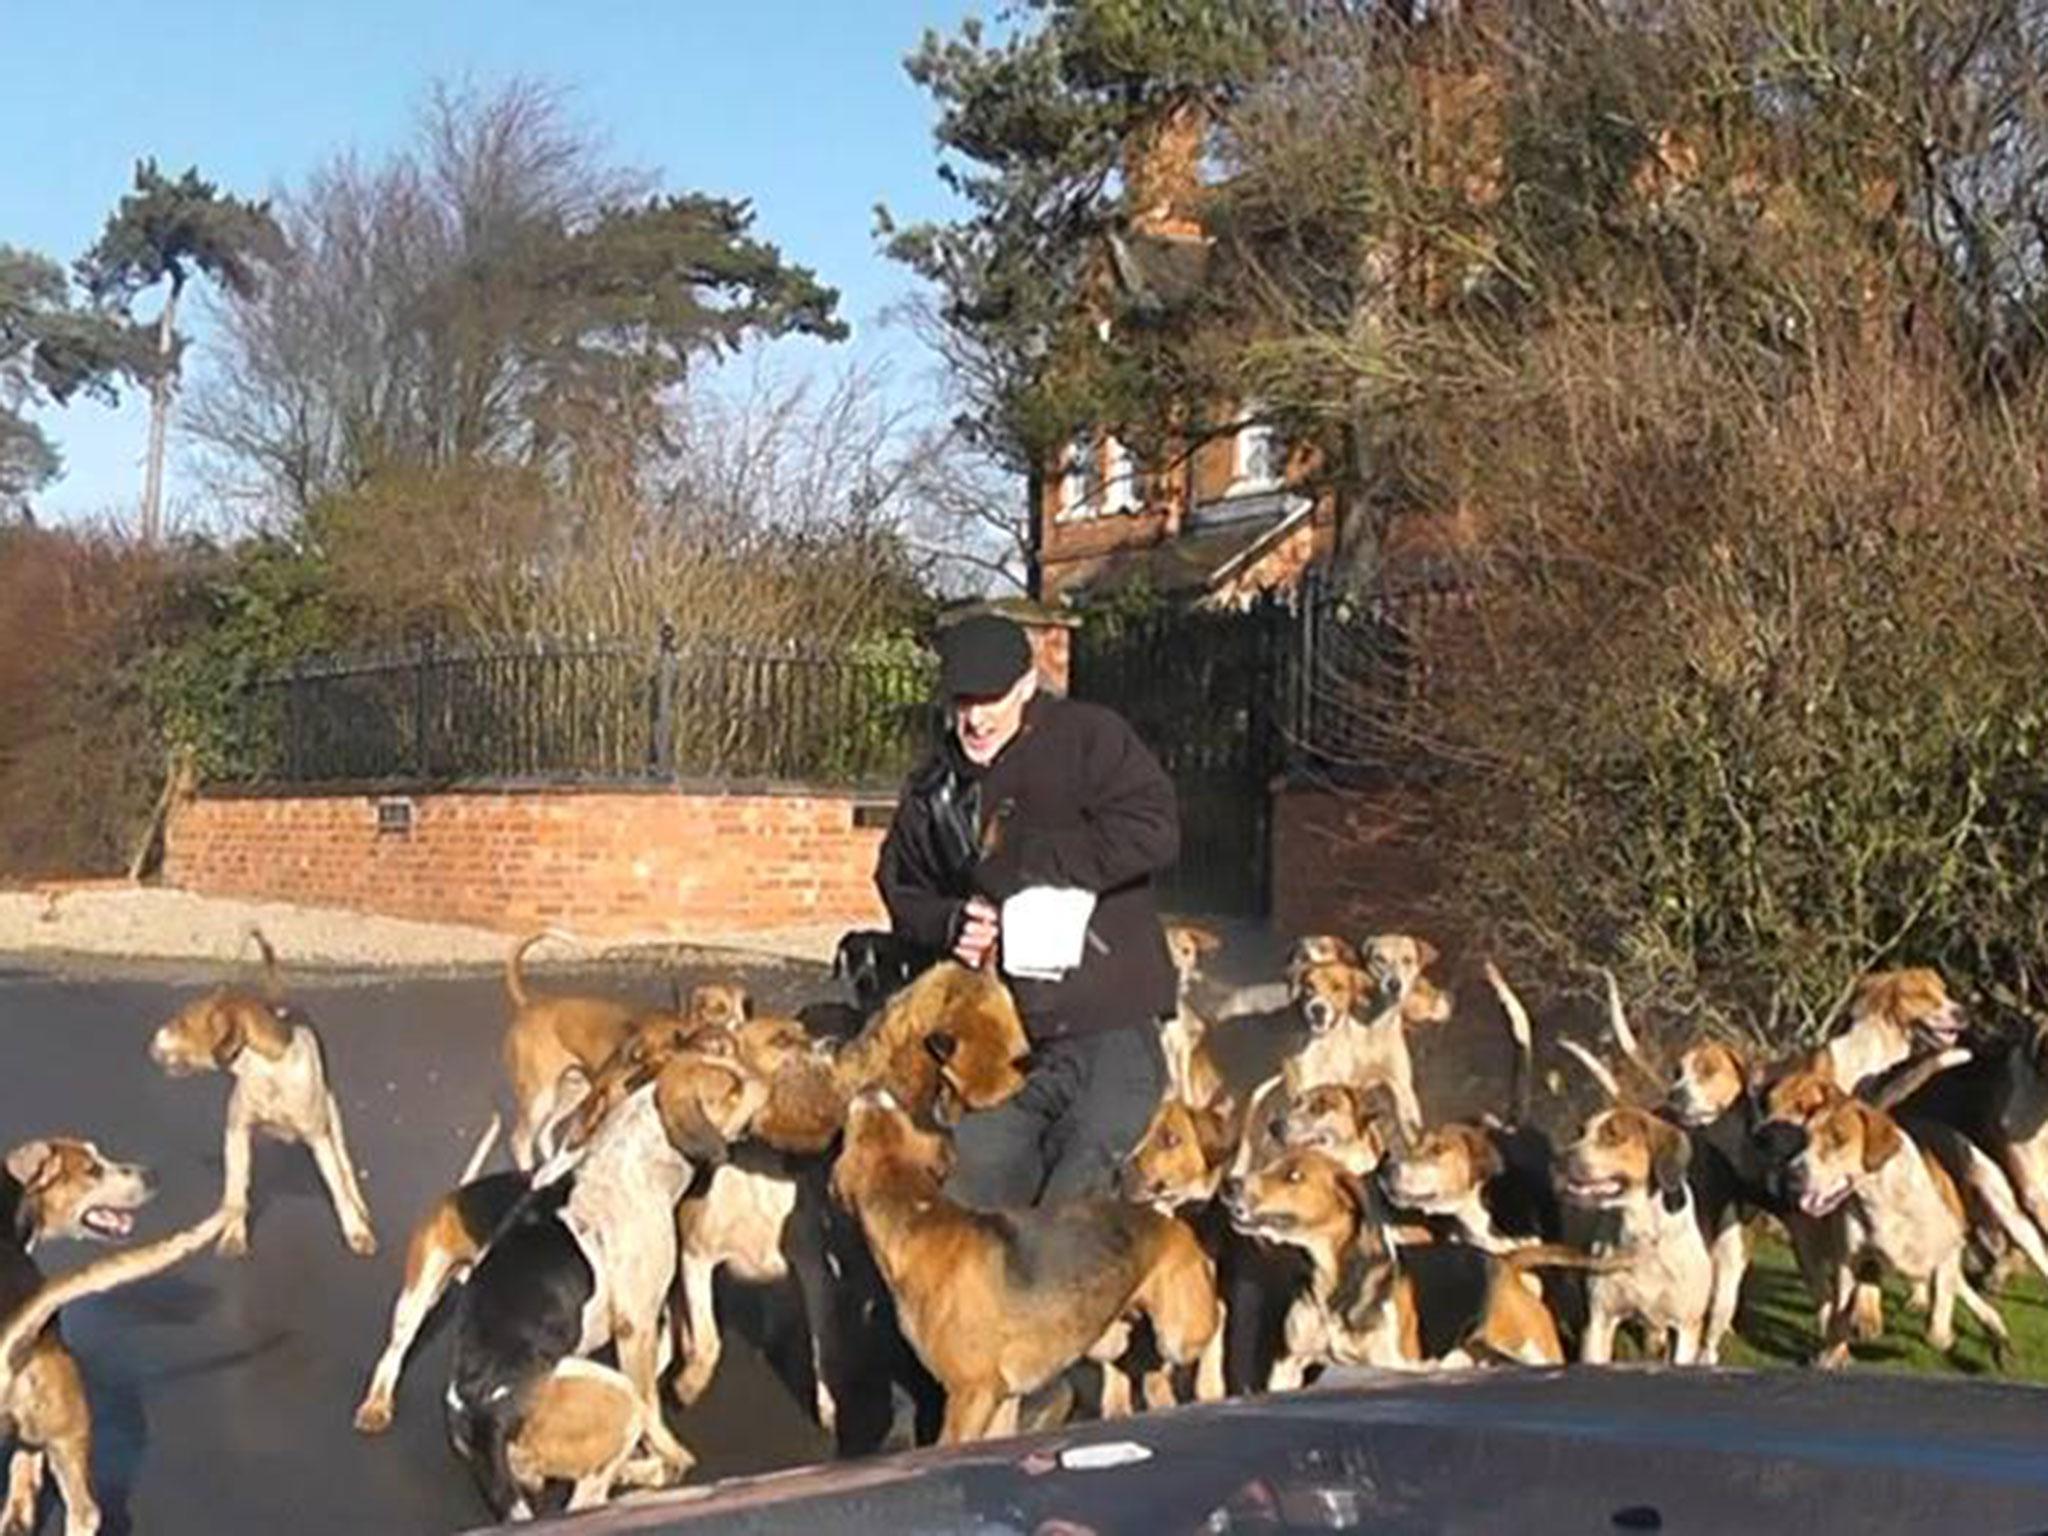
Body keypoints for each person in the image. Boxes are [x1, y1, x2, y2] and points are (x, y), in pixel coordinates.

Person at [875, 611, 1179, 1208]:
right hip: (1003, 1042)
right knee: (968, 1202)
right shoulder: (935, 784)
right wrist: (950, 923)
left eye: (991, 699)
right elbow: (900, 886)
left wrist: (1029, 861)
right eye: (963, 701)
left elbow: (1155, 831)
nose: (976, 718)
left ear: (1025, 685)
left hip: (1107, 1019)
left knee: (1074, 1215)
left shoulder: (1089, 737)